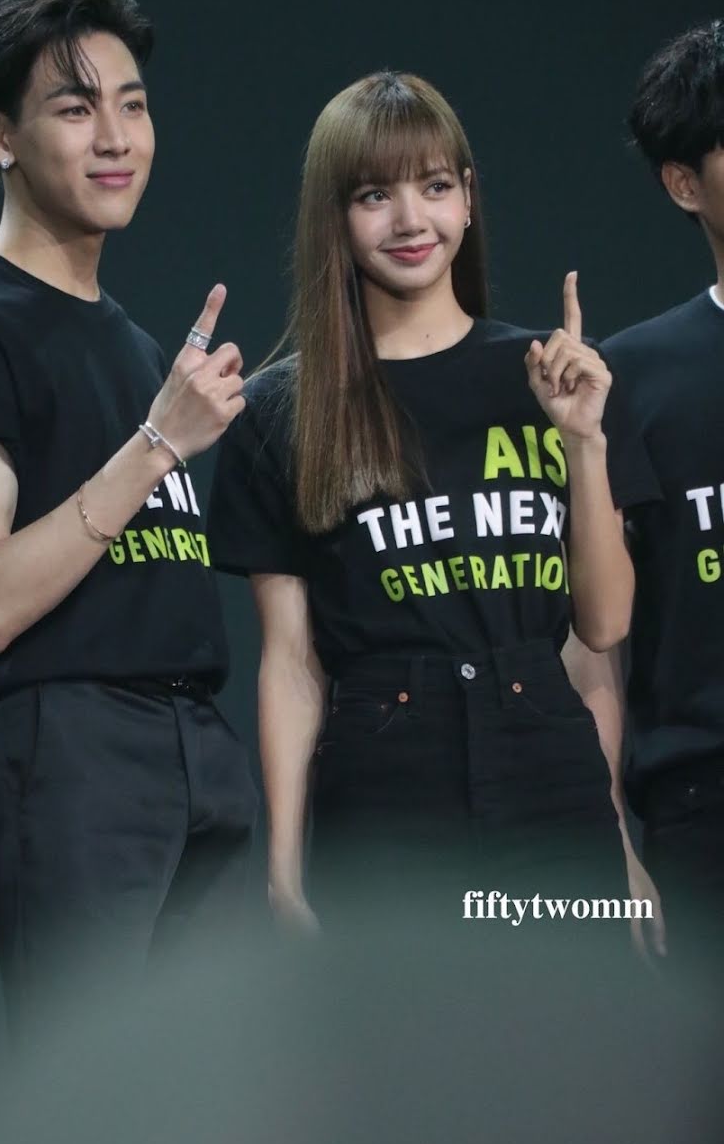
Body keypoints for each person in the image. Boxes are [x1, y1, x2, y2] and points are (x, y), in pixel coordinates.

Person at [208, 71, 659, 939]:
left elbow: (602, 627)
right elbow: (291, 663)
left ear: (469, 197)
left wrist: (584, 441)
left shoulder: (556, 377)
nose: (412, 220)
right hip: (383, 784)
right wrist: (285, 870)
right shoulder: (280, 412)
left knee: (563, 1027)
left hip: (552, 782)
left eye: (436, 185)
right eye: (374, 195)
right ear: (334, 215)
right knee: (406, 1029)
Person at [0, 0, 256, 1033]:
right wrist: (157, 443)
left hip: (199, 747)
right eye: (76, 107)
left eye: (133, 105)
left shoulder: (135, 344)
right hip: (75, 754)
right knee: (96, 1099)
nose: (116, 138)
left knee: (207, 1097)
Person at [600, 20, 724, 976]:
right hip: (702, 816)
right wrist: (617, 842)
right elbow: (593, 639)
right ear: (685, 184)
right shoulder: (630, 378)